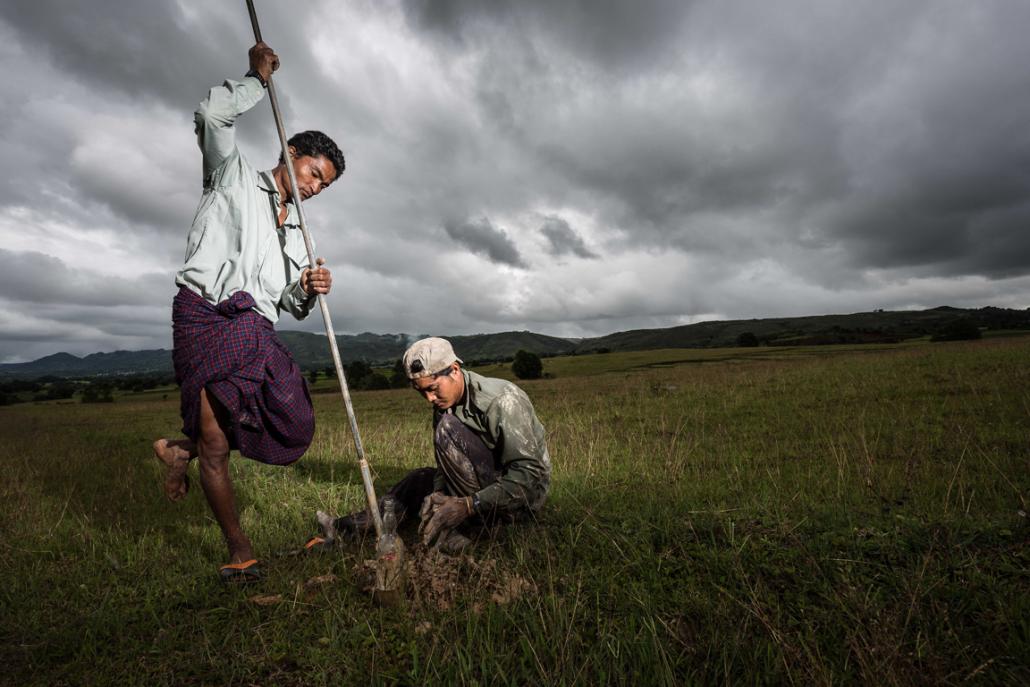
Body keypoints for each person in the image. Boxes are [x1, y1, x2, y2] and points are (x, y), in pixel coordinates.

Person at [152, 42, 346, 583]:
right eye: (312, 171)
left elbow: (290, 305)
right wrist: (255, 81)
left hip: (254, 331)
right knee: (218, 442)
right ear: (289, 150)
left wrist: (309, 285)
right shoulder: (231, 174)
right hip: (205, 315)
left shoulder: (298, 236)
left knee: (293, 420)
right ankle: (239, 549)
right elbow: (211, 115)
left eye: (322, 185)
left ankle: (179, 448)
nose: (313, 186)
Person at [314, 337, 552, 554]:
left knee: (447, 427)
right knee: (420, 479)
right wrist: (438, 493)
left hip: (521, 502)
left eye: (432, 388)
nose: (429, 398)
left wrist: (468, 504)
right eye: (421, 392)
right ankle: (349, 527)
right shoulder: (444, 405)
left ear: (455, 370)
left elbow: (529, 475)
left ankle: (476, 528)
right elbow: (444, 466)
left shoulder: (503, 401)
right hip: (481, 482)